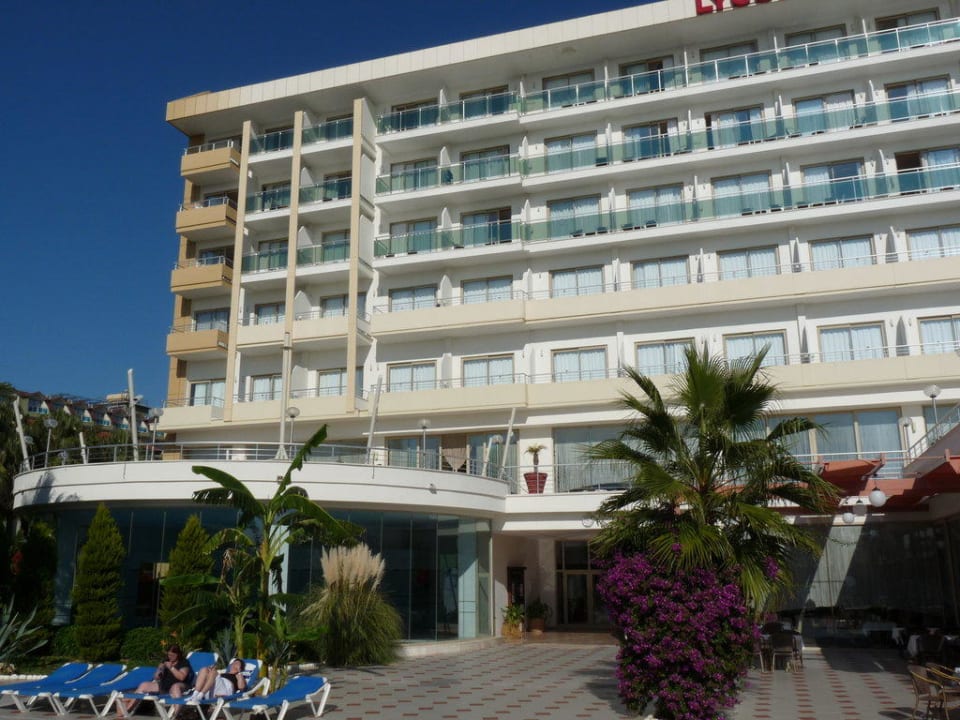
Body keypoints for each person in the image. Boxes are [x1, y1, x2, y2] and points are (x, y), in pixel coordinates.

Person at [121, 645, 193, 715]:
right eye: (169, 655)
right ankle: (125, 712)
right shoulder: (166, 660)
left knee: (175, 687)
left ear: (178, 654)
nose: (170, 657)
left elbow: (182, 677)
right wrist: (159, 671)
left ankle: (175, 715)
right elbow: (156, 675)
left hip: (180, 686)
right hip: (164, 686)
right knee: (144, 685)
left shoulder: (183, 662)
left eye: (172, 655)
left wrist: (171, 668)